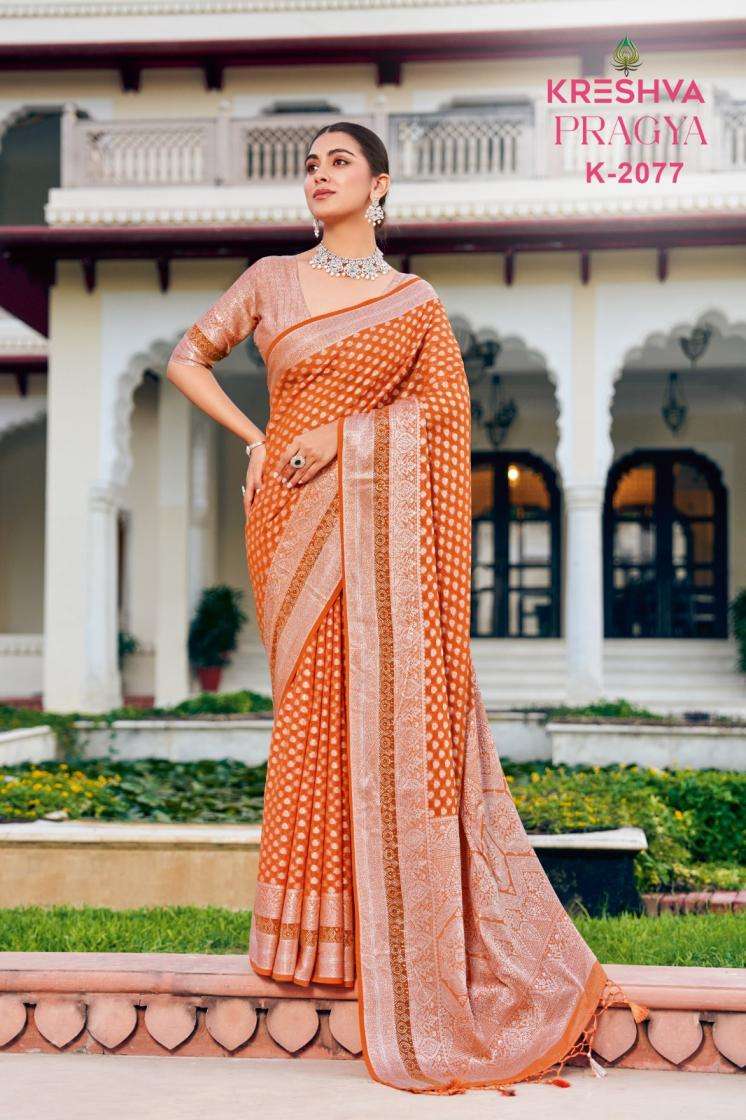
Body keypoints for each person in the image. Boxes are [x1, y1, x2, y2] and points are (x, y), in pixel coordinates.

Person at [166, 121, 648, 1096]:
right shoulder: (270, 279)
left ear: (379, 185)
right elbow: (188, 357)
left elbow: (442, 418)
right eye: (310, 164)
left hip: (367, 517)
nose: (318, 176)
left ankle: (373, 935)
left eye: (337, 162)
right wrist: (257, 438)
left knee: (377, 722)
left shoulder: (412, 303)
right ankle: (303, 940)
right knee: (309, 714)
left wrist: (346, 438)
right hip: (290, 521)